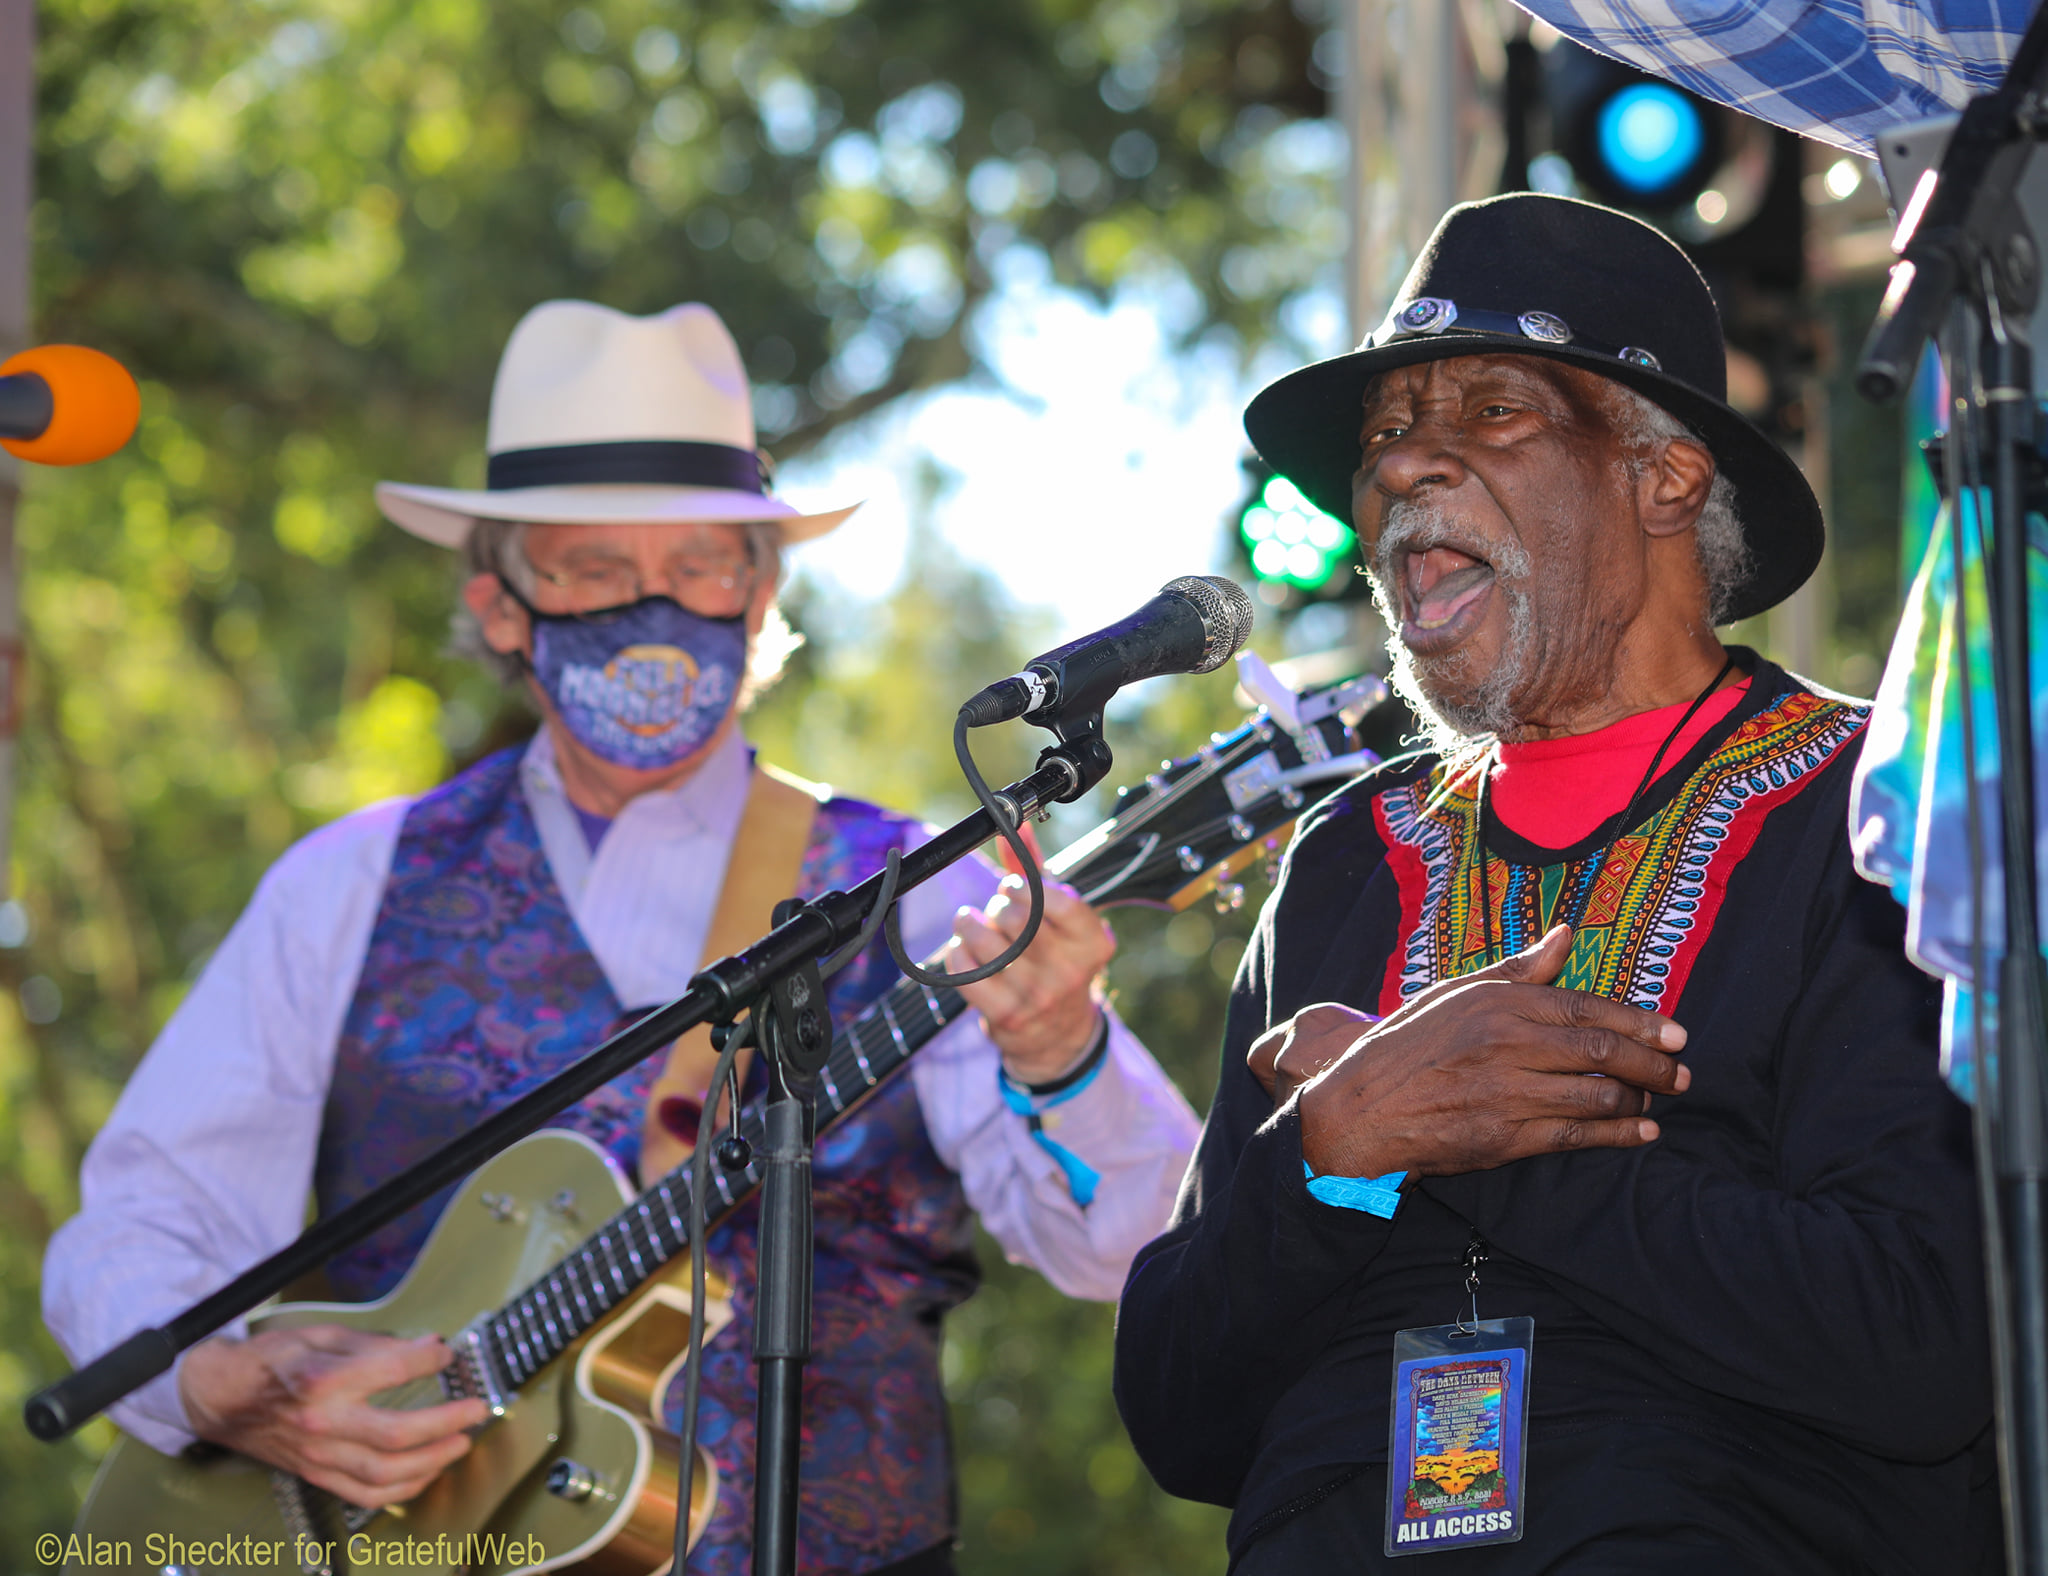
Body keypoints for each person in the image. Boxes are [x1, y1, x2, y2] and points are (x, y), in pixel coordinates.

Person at [43, 300, 1201, 1576]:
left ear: (761, 595)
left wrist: (1064, 1055)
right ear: (498, 604)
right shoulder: (346, 885)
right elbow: (143, 1222)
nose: (651, 606)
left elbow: (1133, 1248)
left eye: (701, 563)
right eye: (593, 567)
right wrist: (219, 1388)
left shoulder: (925, 890)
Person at [1113, 193, 1996, 1574]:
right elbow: (1177, 1414)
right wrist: (1332, 1161)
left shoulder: (1871, 816)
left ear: (1666, 479)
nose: (1406, 471)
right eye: (1387, 436)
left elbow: (1920, 1339)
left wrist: (1484, 1140)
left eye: (1491, 414)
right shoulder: (1347, 860)